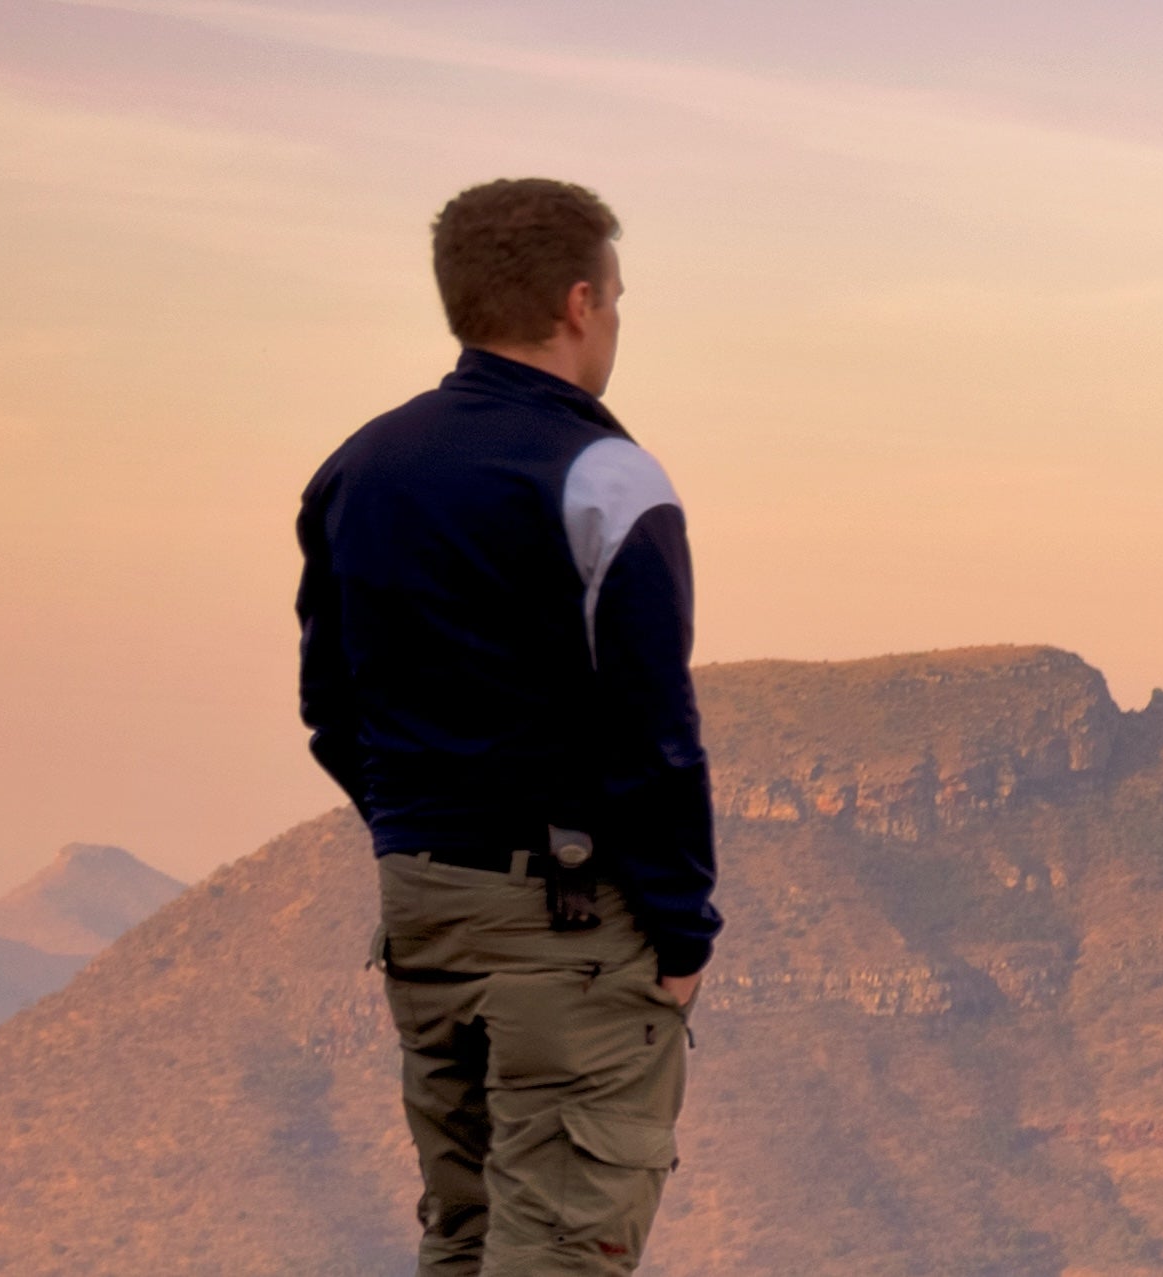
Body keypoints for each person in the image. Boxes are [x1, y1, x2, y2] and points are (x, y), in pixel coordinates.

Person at [296, 177, 717, 1276]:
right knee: (563, 1249)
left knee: (468, 1233)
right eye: (618, 298)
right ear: (580, 303)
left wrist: (416, 829)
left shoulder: (358, 469)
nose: (616, 321)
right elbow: (654, 732)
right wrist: (682, 932)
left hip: (424, 908)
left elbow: (330, 707)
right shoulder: (606, 476)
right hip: (566, 925)